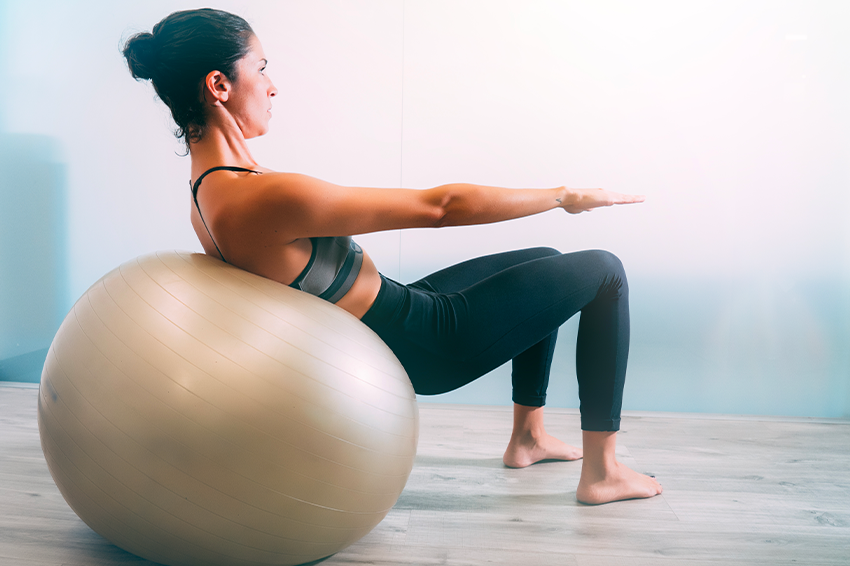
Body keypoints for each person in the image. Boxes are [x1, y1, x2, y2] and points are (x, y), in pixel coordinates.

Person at [123, 8, 661, 505]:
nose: (272, 86)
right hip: (425, 343)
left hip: (402, 311)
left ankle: (528, 437)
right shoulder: (260, 198)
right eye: (260, 68)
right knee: (604, 271)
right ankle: (603, 472)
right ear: (219, 85)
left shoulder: (211, 190)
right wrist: (565, 197)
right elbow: (440, 207)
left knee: (543, 258)